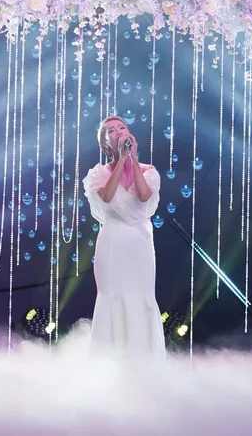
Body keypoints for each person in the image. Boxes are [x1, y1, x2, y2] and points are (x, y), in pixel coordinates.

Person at [82, 115, 166, 358]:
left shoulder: (149, 171)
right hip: (112, 241)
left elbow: (144, 195)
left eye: (122, 127)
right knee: (112, 295)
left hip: (140, 243)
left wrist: (133, 159)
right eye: (111, 130)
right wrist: (121, 161)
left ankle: (142, 359)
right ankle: (109, 361)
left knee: (141, 297)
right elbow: (107, 197)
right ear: (105, 143)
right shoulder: (98, 173)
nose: (118, 131)